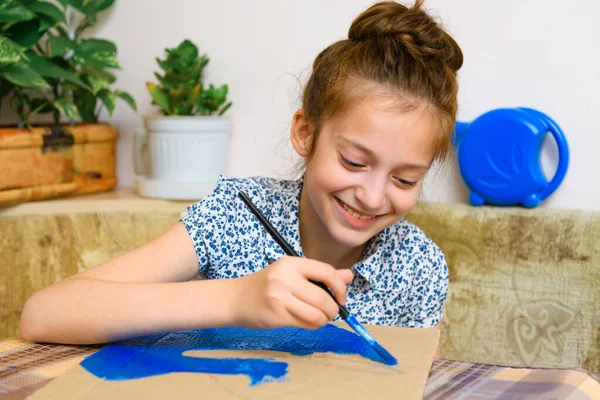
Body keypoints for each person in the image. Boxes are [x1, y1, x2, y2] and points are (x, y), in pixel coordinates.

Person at [20, 0, 463, 353]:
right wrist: (236, 300)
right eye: (352, 161)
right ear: (306, 133)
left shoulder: (419, 266)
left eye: (405, 180)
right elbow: (43, 314)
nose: (371, 196)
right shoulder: (236, 215)